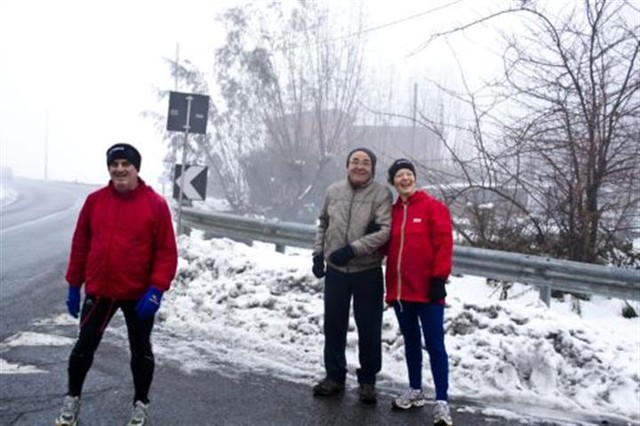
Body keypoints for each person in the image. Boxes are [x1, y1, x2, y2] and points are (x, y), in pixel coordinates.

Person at [55, 143, 178, 426]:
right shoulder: (95, 201)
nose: (119, 169)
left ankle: (141, 404)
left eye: (125, 164)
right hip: (101, 291)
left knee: (141, 351)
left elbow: (166, 252)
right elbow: (81, 244)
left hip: (138, 294)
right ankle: (72, 400)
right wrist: (74, 285)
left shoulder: (155, 204)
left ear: (136, 168)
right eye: (114, 164)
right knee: (83, 347)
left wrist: (156, 289)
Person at [311, 147, 392, 404]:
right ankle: (334, 376)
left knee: (369, 327)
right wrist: (318, 254)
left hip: (367, 270)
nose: (359, 166)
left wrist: (352, 250)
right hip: (336, 270)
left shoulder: (381, 194)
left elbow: (384, 231)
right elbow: (323, 223)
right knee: (333, 325)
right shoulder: (333, 191)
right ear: (347, 165)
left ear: (372, 168)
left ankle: (367, 380)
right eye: (355, 161)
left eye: (366, 162)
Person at [384, 159, 454, 426]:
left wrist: (439, 278)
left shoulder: (433, 207)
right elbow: (384, 245)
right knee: (411, 341)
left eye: (408, 174)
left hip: (428, 291)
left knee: (435, 345)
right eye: (399, 175)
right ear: (393, 182)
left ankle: (442, 402)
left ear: (414, 178)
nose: (404, 179)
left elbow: (445, 243)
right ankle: (415, 390)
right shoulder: (391, 212)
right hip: (401, 291)